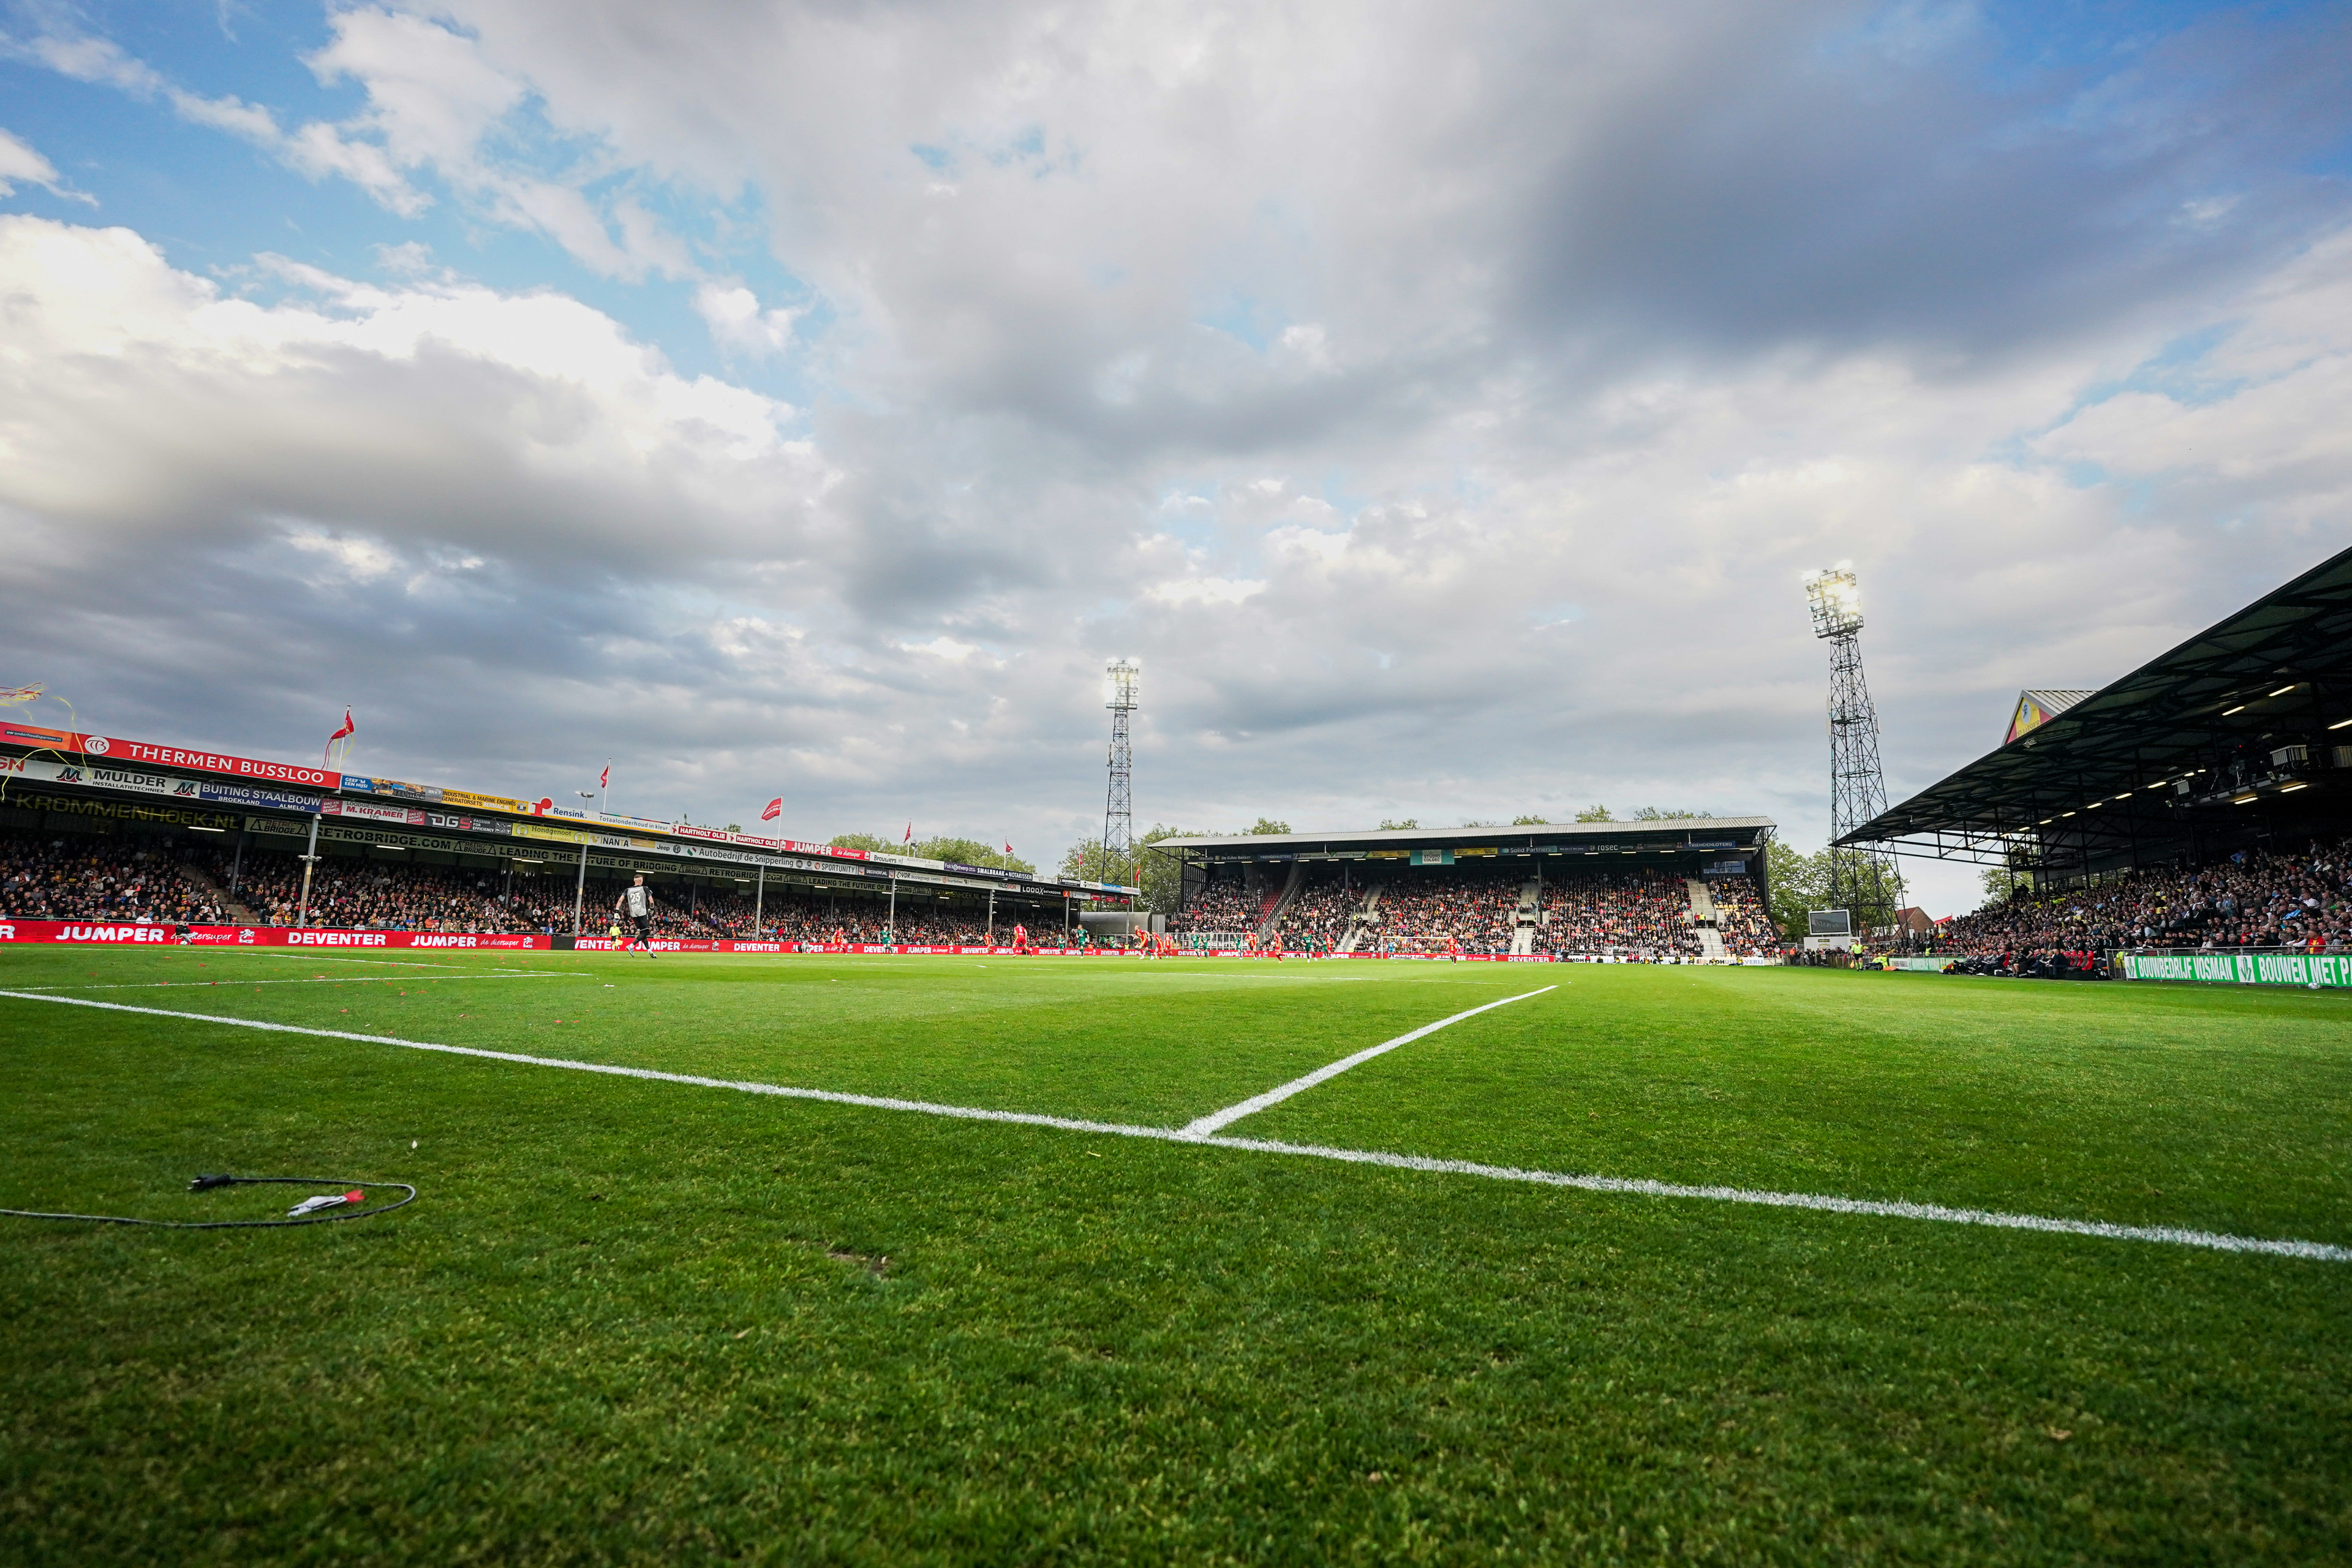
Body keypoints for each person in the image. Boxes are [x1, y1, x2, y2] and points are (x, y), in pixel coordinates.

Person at [613, 875, 655, 955]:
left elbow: (620, 901)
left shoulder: (628, 890)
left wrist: (617, 911)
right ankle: (631, 946)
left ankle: (649, 951)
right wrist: (652, 909)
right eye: (642, 880)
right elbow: (652, 902)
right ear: (640, 881)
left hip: (633, 913)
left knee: (643, 932)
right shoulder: (645, 888)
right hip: (642, 912)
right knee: (646, 931)